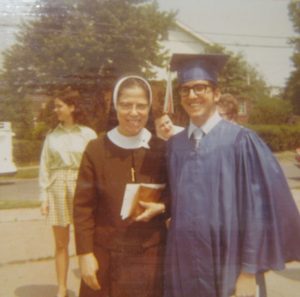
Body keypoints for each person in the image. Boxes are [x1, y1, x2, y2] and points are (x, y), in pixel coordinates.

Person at [164, 53, 300, 297]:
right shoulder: (175, 146)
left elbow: (258, 212)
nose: (192, 96)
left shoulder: (240, 142)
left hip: (231, 265)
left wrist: (249, 272)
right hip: (184, 266)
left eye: (200, 88)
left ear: (216, 94)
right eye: (185, 90)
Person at [73, 75, 168, 297]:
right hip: (106, 256)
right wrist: (85, 253)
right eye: (126, 105)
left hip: (150, 257)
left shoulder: (162, 149)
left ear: (149, 108)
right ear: (115, 106)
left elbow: (175, 196)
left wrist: (162, 207)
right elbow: (82, 208)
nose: (134, 112)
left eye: (141, 106)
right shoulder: (96, 149)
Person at [39, 87, 97, 297]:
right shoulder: (51, 136)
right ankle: (62, 288)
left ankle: (91, 284)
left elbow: (96, 166)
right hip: (57, 188)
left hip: (82, 186)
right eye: (55, 106)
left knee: (88, 239)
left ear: (72, 107)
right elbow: (44, 168)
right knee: (61, 243)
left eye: (59, 106)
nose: (56, 110)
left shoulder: (87, 134)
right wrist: (43, 197)